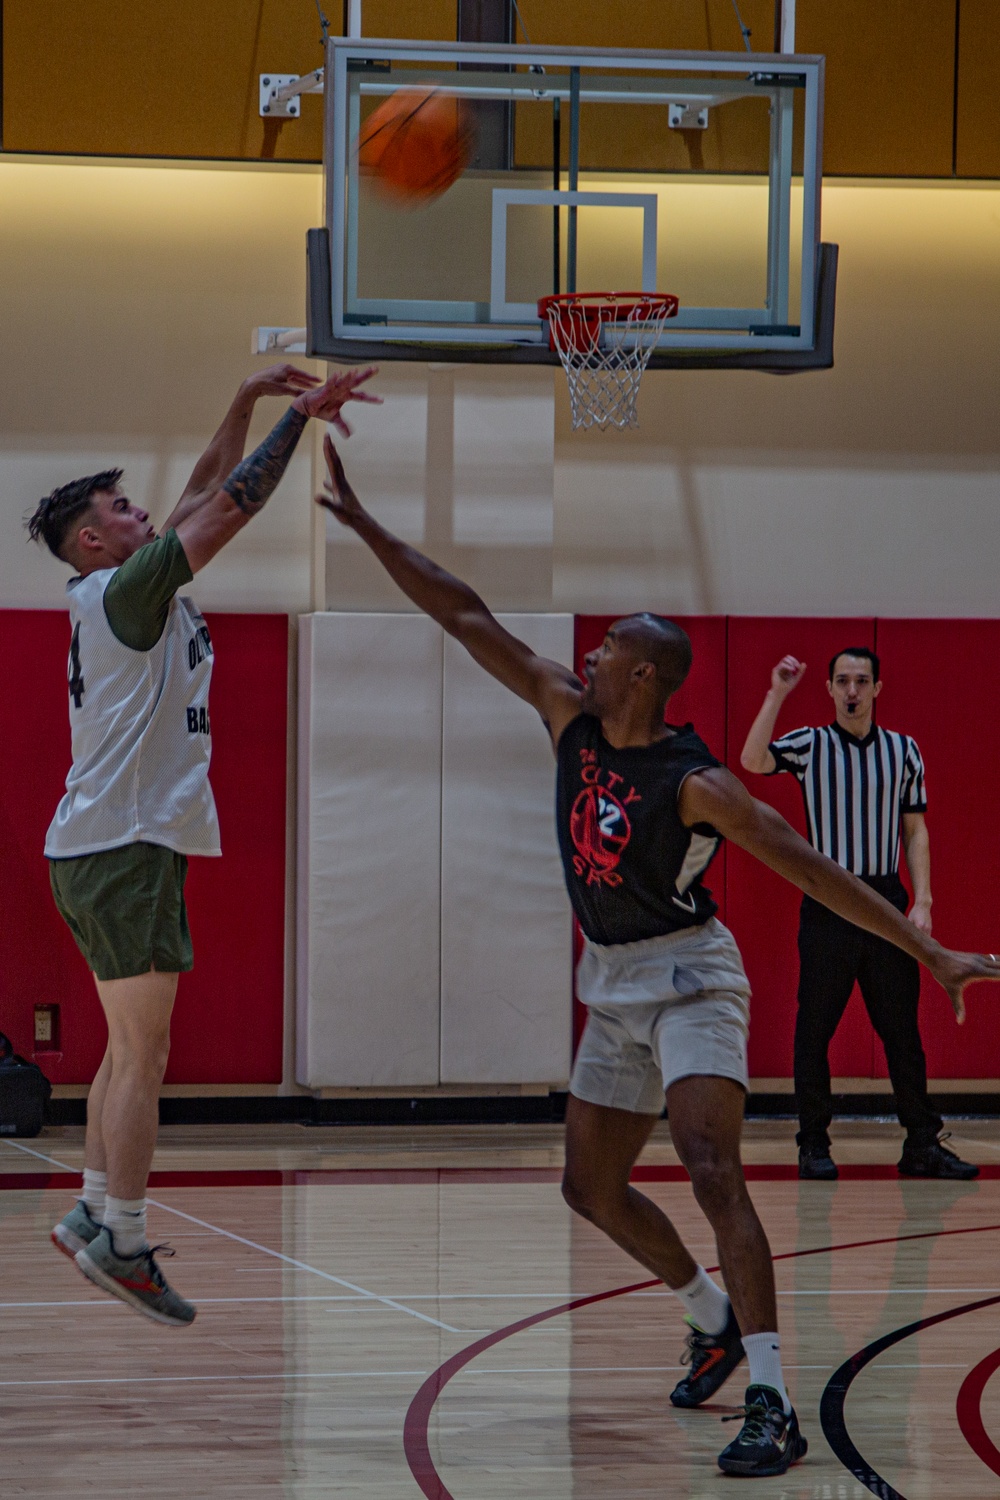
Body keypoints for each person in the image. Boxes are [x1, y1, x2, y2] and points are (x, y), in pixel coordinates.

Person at [314, 439, 1000, 1478]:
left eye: (604, 648)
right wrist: (367, 529)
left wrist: (927, 948)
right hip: (611, 979)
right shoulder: (566, 716)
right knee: (588, 1187)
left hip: (691, 978)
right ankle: (710, 1315)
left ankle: (772, 1396)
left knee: (709, 1164)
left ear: (644, 673)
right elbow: (461, 613)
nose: (582, 653)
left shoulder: (698, 783)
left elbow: (815, 870)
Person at [29, 362, 380, 1326]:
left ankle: (94, 1214)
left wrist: (244, 399)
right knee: (146, 1057)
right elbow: (230, 502)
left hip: (99, 846)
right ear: (96, 539)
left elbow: (197, 492)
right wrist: (298, 420)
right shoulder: (127, 593)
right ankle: (129, 1244)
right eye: (121, 505)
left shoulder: (114, 589)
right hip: (126, 845)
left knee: (120, 1051)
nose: (145, 508)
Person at [740, 649, 978, 1182]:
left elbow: (915, 829)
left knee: (903, 1034)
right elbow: (752, 761)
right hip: (828, 903)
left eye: (862, 681)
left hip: (887, 903)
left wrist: (923, 899)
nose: (852, 690)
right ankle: (813, 1145)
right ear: (828, 688)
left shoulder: (903, 750)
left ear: (877, 689)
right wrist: (777, 692)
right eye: (843, 681)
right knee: (814, 1031)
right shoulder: (810, 744)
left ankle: (921, 1144)